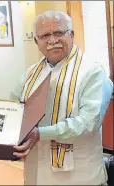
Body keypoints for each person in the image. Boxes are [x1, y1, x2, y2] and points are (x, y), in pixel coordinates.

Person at [12, 10, 113, 185]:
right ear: (36, 41)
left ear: (71, 35)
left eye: (59, 33)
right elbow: (14, 113)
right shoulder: (29, 75)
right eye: (45, 35)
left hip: (79, 175)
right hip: (37, 171)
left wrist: (40, 134)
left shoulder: (92, 72)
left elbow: (88, 123)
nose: (52, 40)